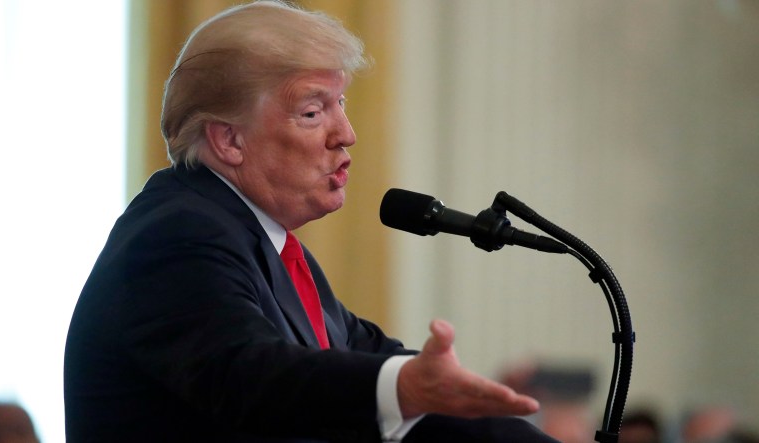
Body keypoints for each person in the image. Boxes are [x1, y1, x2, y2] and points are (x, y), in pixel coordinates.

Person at [63, 2, 559, 442]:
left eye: (339, 103)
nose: (346, 134)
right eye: (311, 111)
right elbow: (253, 377)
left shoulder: (267, 249)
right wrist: (401, 388)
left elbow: (380, 369)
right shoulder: (176, 235)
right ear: (229, 140)